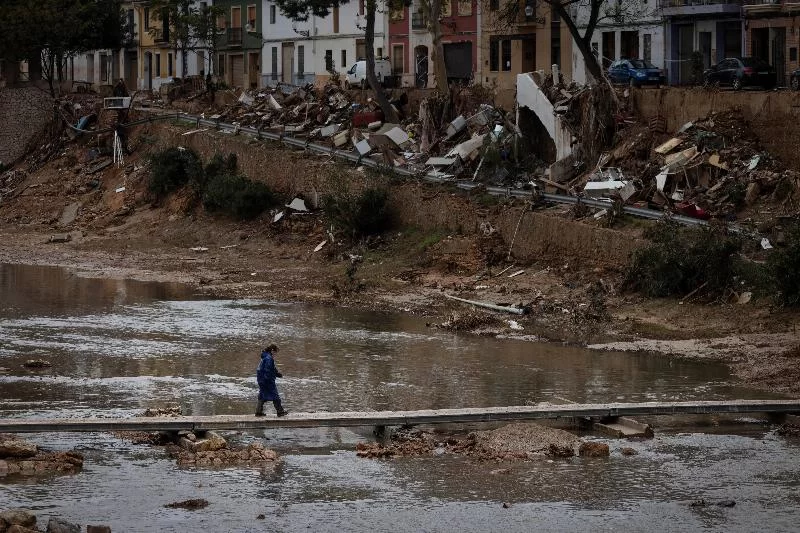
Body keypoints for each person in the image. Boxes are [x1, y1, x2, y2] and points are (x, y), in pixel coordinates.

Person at [255, 344, 288, 417]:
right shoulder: (269, 358)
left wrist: (277, 374)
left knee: (262, 395)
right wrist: (269, 379)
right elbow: (268, 370)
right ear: (272, 350)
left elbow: (271, 369)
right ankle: (280, 411)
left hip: (261, 379)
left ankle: (258, 412)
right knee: (275, 395)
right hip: (266, 380)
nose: (276, 354)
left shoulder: (265, 356)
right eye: (275, 352)